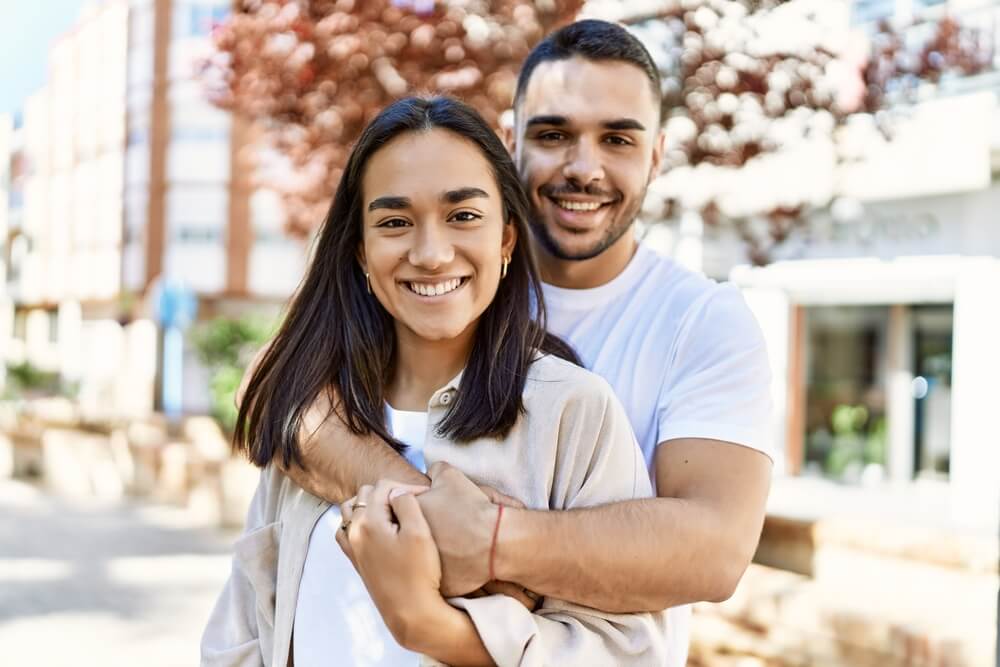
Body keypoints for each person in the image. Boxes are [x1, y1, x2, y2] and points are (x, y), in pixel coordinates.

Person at [278, 19, 775, 667]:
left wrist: (486, 547)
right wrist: (429, 514)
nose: (583, 166)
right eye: (553, 134)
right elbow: (277, 389)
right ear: (513, 143)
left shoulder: (701, 321)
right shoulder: (445, 281)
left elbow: (714, 551)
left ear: (656, 155)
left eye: (618, 139)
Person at [201, 95, 673, 666]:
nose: (430, 253)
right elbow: (245, 630)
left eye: (463, 216)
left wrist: (431, 627)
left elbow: (627, 652)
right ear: (360, 251)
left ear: (505, 239)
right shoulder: (316, 411)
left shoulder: (571, 411)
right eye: (395, 222)